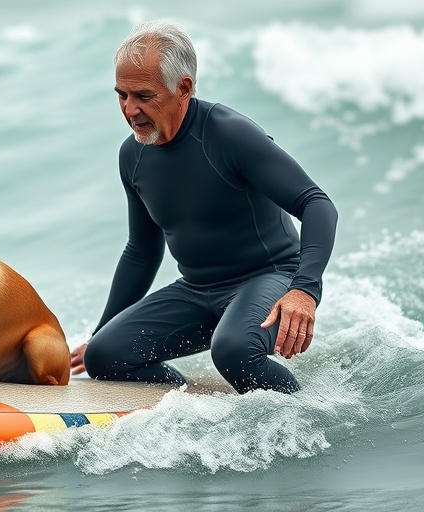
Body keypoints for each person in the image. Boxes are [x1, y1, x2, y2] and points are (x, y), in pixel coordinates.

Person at [69, 21, 339, 394]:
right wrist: (102, 332)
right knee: (105, 356)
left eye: (143, 96)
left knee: (234, 350)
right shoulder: (132, 155)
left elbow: (316, 204)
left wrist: (304, 291)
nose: (130, 110)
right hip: (197, 290)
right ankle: (192, 403)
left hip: (268, 276)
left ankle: (311, 413)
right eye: (122, 95)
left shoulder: (229, 134)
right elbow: (142, 251)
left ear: (184, 88)